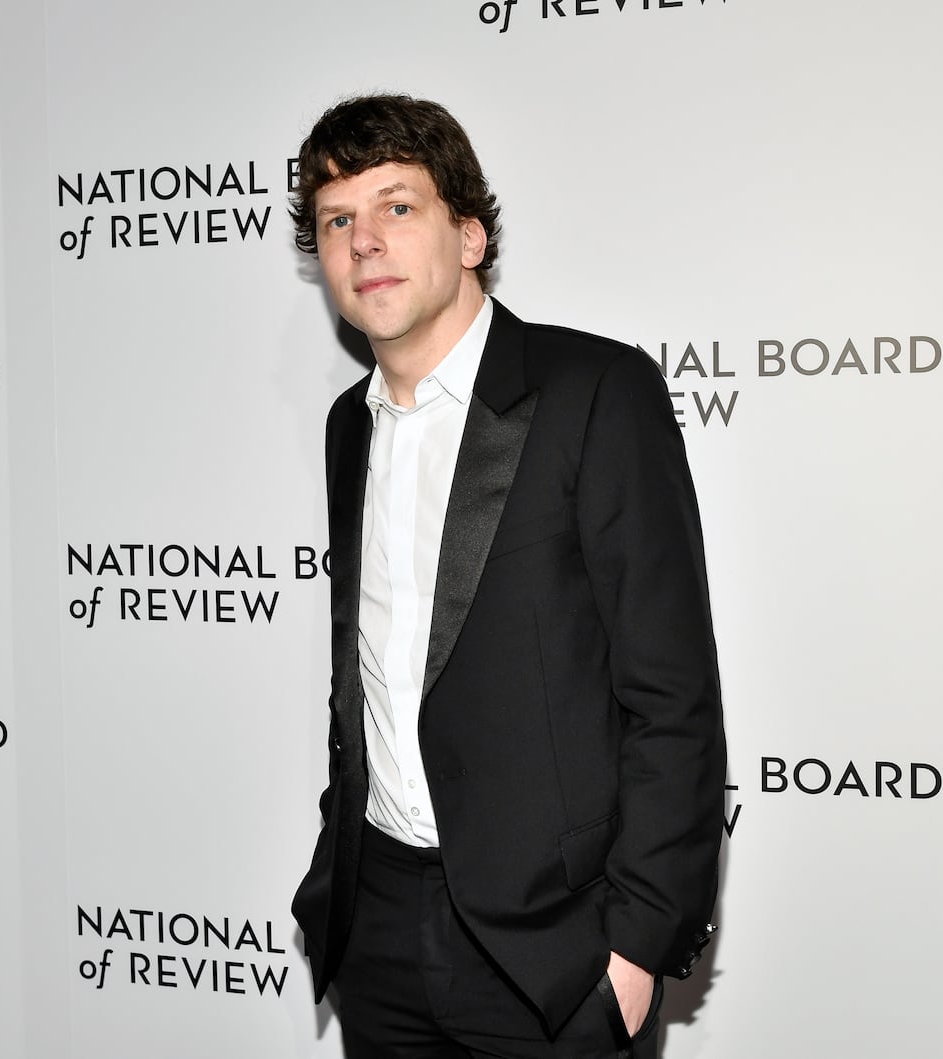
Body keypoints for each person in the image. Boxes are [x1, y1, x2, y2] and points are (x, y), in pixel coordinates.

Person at [289, 94, 726, 1058]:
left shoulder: (595, 393)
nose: (364, 240)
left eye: (397, 206)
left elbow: (672, 693)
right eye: (337, 219)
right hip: (381, 928)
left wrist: (635, 949)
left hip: (554, 953)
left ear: (471, 235)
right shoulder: (346, 429)